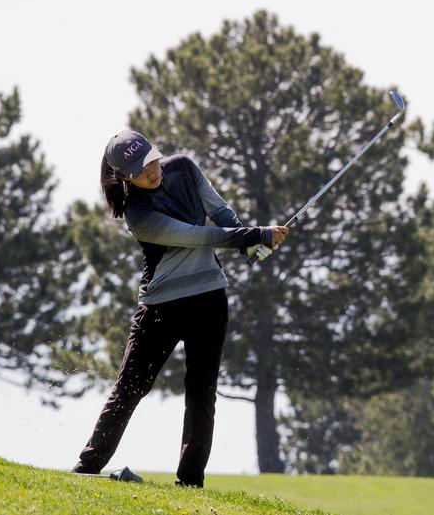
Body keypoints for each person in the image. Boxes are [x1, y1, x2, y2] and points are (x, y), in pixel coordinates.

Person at [71, 130, 288, 487]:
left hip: (209, 299)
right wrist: (251, 236)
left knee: (202, 392)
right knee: (131, 387)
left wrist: (247, 240)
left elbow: (219, 211)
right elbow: (194, 235)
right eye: (141, 171)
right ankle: (89, 466)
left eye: (152, 161)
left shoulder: (184, 168)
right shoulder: (137, 213)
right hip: (161, 308)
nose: (152, 171)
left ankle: (190, 482)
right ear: (125, 177)